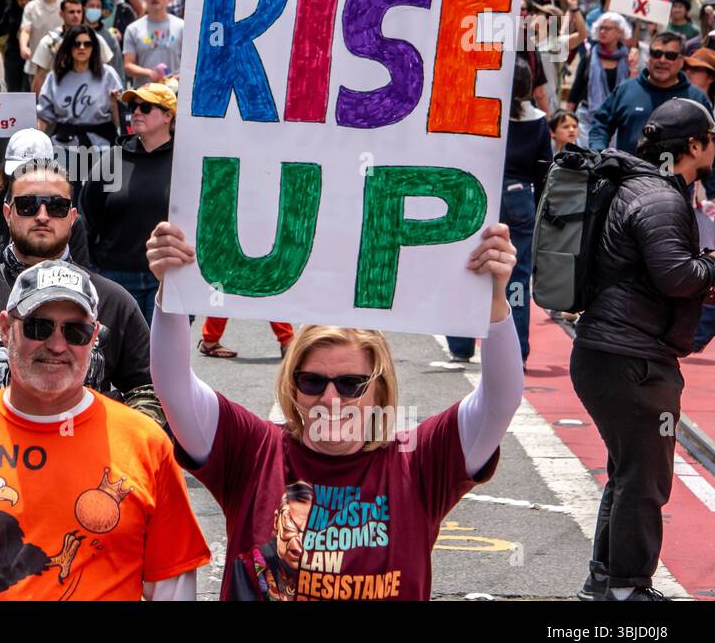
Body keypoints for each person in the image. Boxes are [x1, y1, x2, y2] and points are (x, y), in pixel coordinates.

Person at [145, 219, 524, 600]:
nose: (330, 400)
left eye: (350, 385)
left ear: (379, 389)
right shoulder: (253, 450)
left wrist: (493, 300)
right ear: (291, 385)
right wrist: (171, 287)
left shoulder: (418, 461)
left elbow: (499, 402)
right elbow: (174, 387)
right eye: (312, 382)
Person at [0, 260, 209, 600]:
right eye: (38, 327)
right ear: (5, 329)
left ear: (94, 337)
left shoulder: (146, 444)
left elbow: (172, 586)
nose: (57, 345)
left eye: (75, 331)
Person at [0, 160, 161, 472]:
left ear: (73, 218)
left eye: (57, 207)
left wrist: (125, 464)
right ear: (7, 213)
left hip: (86, 477)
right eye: (28, 205)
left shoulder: (114, 301)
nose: (42, 216)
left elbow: (149, 392)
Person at [571, 98, 715, 601]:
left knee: (628, 472)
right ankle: (628, 588)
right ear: (693, 146)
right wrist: (714, 263)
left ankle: (606, 581)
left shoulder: (640, 186)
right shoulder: (661, 197)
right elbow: (677, 276)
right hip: (631, 358)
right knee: (645, 479)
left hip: (612, 352)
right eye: (712, 138)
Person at [446, 61, 551, 365]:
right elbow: (544, 169)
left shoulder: (478, 112)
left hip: (477, 191)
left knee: (468, 264)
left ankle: (462, 343)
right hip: (520, 196)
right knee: (517, 275)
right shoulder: (538, 120)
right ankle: (516, 348)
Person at [79, 82, 174, 323]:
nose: (137, 112)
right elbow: (86, 217)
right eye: (133, 107)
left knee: (163, 357)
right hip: (114, 277)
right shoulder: (112, 159)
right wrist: (89, 271)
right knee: (117, 357)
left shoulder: (185, 160)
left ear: (167, 116)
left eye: (145, 106)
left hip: (169, 276)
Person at [0, 129, 92, 281]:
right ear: (7, 213)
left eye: (32, 172)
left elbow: (81, 280)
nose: (22, 178)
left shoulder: (70, 220)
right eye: (18, 172)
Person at [590, 32, 710, 156]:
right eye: (656, 54)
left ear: (681, 61)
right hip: (628, 173)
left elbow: (710, 143)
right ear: (648, 57)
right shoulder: (626, 90)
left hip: (674, 174)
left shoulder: (696, 98)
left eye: (670, 56)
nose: (662, 60)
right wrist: (600, 154)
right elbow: (600, 125)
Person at [36, 25, 122, 150]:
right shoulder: (54, 76)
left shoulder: (108, 74)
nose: (82, 48)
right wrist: (34, 140)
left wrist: (115, 104)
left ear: (94, 48)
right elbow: (44, 115)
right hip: (64, 146)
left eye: (87, 44)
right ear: (69, 46)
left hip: (102, 146)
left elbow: (121, 120)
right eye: (77, 44)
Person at [566, 12, 632, 147]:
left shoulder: (629, 59)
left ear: (620, 32)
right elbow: (576, 90)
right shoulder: (589, 57)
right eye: (600, 28)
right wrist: (568, 116)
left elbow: (631, 90)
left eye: (607, 28)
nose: (602, 31)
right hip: (586, 117)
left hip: (615, 119)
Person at [18, 0, 64, 86]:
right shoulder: (31, 7)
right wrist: (23, 47)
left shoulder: (65, 6)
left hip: (60, 66)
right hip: (36, 64)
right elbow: (26, 30)